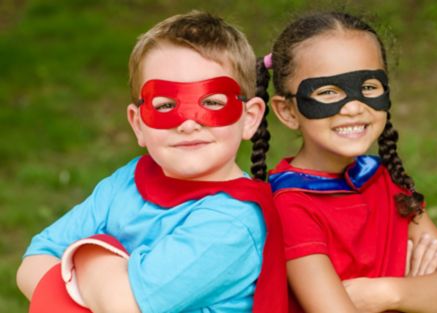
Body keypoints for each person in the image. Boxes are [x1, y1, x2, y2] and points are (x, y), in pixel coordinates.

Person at [16, 11, 287, 313]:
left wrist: (91, 253)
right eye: (166, 105)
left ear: (249, 119)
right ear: (138, 124)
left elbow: (125, 307)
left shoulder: (233, 222)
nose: (188, 124)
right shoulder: (128, 181)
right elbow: (33, 262)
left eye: (211, 103)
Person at [255, 11, 437, 313]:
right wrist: (419, 292)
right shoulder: (290, 205)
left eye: (369, 87)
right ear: (288, 112)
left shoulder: (384, 178)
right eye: (328, 92)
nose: (354, 107)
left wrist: (385, 292)